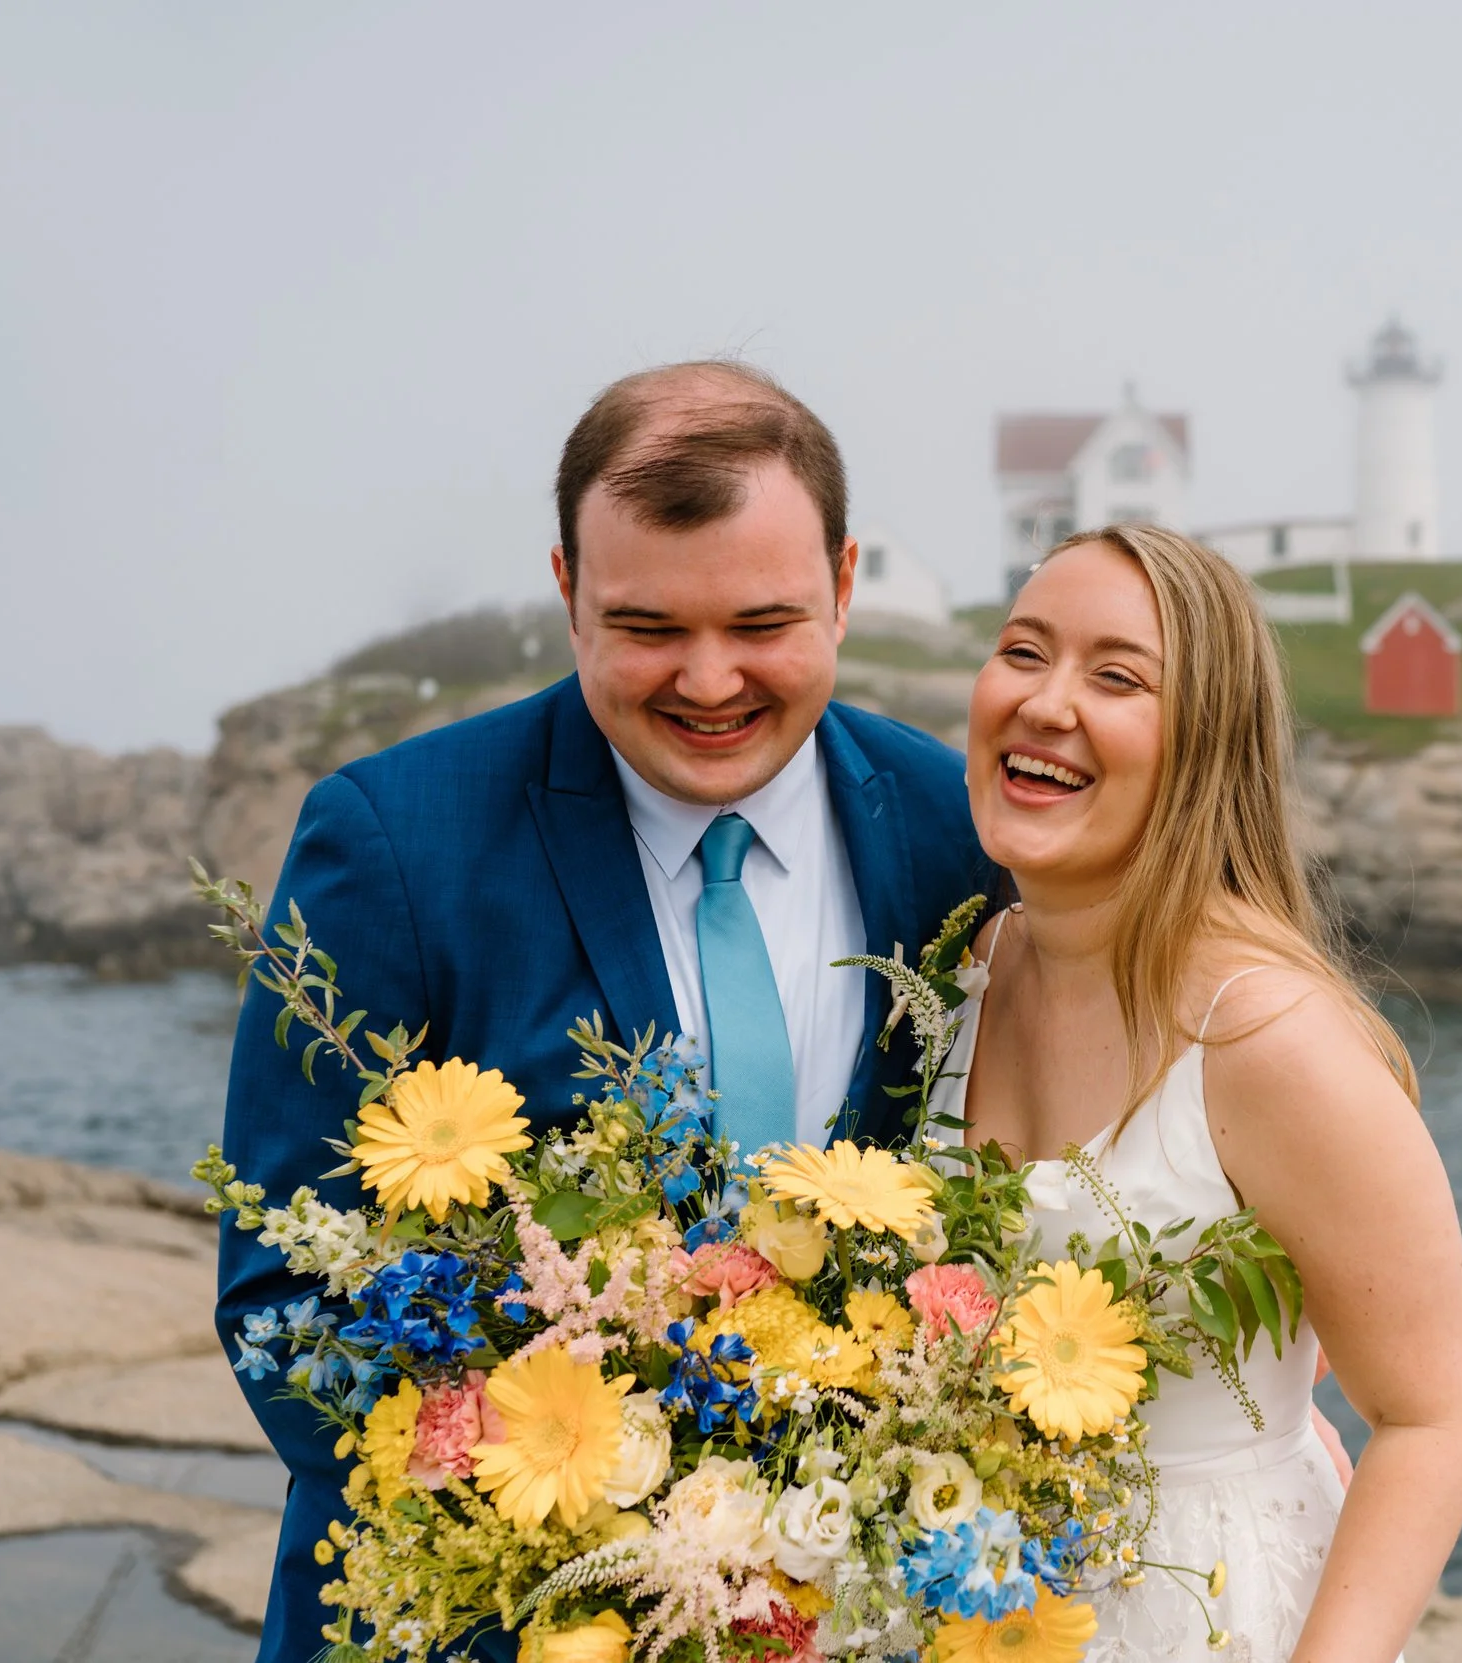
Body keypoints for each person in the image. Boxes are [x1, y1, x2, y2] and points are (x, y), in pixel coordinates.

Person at [214, 361, 994, 1662]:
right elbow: (285, 1294)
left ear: (846, 585)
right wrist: (573, 1557)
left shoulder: (955, 830)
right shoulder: (394, 841)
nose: (707, 679)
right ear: (569, 588)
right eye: (646, 626)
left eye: (762, 622)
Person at [924, 525, 1462, 1661]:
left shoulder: (1265, 1035)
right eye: (1023, 652)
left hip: (1207, 1610)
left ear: (1204, 745)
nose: (1044, 702)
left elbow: (1434, 1415)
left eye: (1117, 676)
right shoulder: (971, 966)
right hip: (981, 1606)